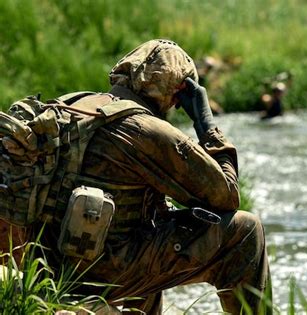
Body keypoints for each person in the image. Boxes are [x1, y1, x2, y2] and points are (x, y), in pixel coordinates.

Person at [31, 39, 271, 314]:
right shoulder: (147, 130)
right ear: (179, 91)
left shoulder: (73, 104)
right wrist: (206, 125)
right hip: (99, 271)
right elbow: (227, 195)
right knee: (246, 231)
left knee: (151, 223)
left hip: (44, 261)